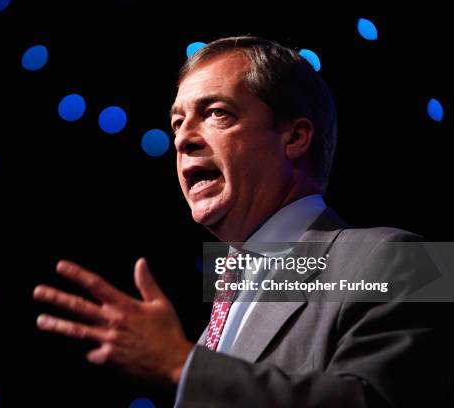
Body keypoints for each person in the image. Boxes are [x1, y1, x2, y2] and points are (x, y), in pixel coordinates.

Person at [33, 36, 448, 407]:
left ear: (294, 137)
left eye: (215, 113)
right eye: (177, 123)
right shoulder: (226, 289)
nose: (182, 139)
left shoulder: (405, 258)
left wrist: (181, 364)